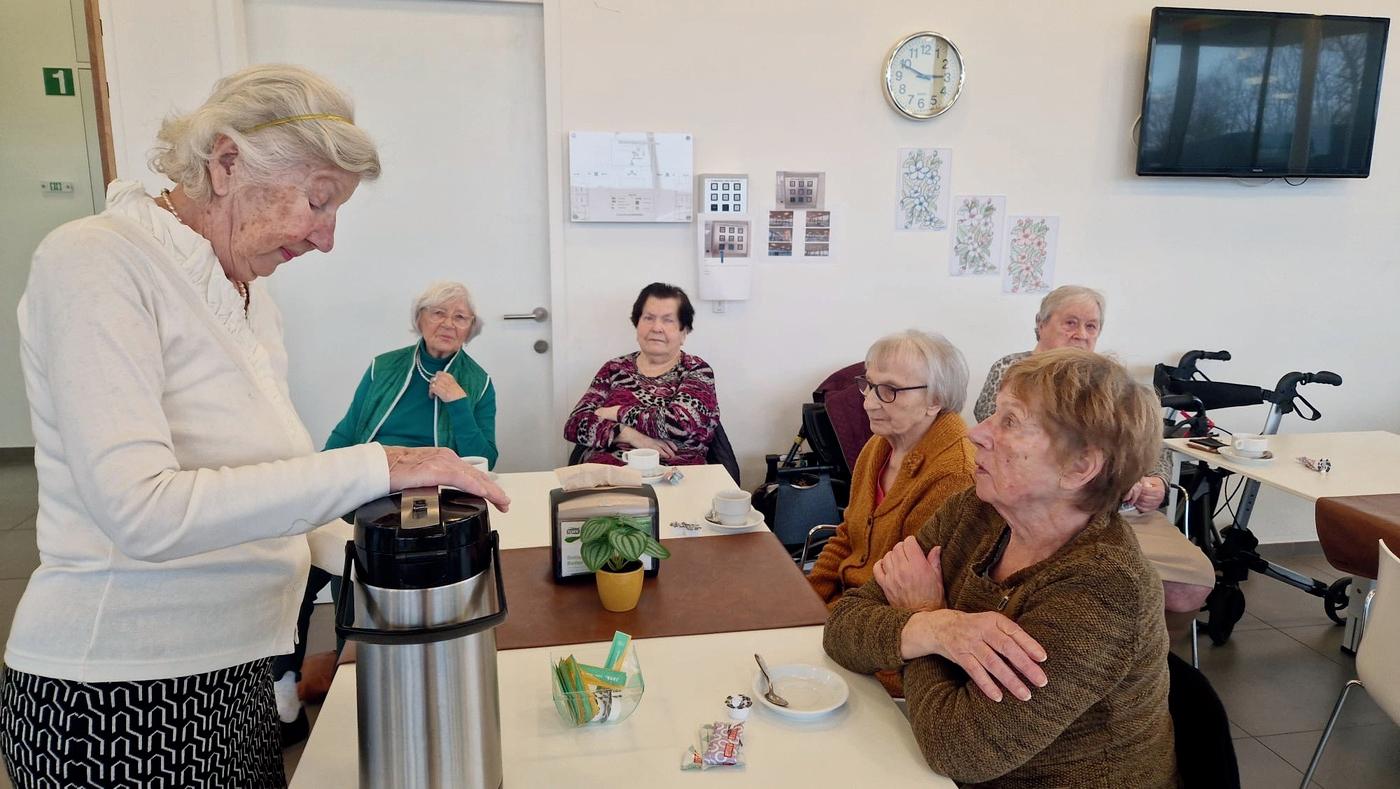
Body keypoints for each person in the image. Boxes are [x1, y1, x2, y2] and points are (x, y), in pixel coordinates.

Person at [0, 65, 508, 789]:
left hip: (237, 674)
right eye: (318, 201)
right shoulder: (97, 260)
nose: (327, 238)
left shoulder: (247, 294)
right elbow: (141, 510)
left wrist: (416, 562)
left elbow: (263, 494)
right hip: (119, 692)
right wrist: (380, 466)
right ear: (227, 162)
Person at [824, 349, 1179, 788]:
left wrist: (922, 613)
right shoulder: (976, 510)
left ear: (1079, 467)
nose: (977, 433)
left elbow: (959, 751)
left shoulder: (1105, 589)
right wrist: (933, 627)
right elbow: (843, 625)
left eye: (1010, 421)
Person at [273, 279, 498, 743]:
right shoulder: (384, 367)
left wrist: (457, 404)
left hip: (428, 499)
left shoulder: (478, 383)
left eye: (460, 317)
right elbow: (349, 430)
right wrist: (319, 482)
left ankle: (354, 683)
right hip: (366, 481)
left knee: (354, 572)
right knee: (295, 570)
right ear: (420, 319)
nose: (448, 324)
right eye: (438, 313)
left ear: (471, 328)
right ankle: (284, 691)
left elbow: (484, 459)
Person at [973, 285, 1214, 615]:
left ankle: (1126, 630)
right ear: (1040, 324)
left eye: (1091, 326)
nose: (1081, 334)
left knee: (1194, 585)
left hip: (1118, 511)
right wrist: (1111, 480)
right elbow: (1008, 447)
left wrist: (1155, 482)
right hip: (1044, 508)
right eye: (1070, 323)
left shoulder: (1110, 382)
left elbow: (1153, 446)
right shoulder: (1012, 371)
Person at [807, 330, 975, 609]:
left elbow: (902, 589)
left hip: (879, 617)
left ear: (935, 400)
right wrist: (807, 597)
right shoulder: (879, 446)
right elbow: (848, 534)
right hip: (844, 606)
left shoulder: (955, 474)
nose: (869, 403)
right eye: (868, 385)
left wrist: (827, 615)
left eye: (889, 391)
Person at [564, 283, 719, 466]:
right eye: (648, 318)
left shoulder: (697, 370)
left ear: (683, 332)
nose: (656, 327)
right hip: (606, 473)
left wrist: (616, 412)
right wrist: (628, 434)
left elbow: (679, 424)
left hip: (674, 473)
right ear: (637, 325)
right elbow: (574, 425)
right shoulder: (615, 368)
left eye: (668, 320)